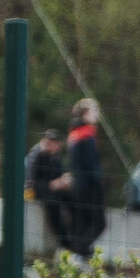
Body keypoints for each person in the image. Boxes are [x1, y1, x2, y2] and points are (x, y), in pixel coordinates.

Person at [54, 98, 107, 258]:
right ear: (86, 113)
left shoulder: (74, 134)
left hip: (79, 185)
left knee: (82, 223)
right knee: (98, 223)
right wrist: (98, 184)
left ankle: (78, 252)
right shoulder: (86, 135)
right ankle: (77, 253)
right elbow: (91, 165)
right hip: (89, 187)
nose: (97, 115)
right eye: (94, 111)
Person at [24, 129, 69, 249]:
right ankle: (65, 244)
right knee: (53, 205)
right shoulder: (35, 156)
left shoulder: (55, 157)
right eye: (49, 141)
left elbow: (59, 174)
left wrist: (64, 181)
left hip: (53, 192)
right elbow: (30, 183)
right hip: (35, 194)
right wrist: (51, 185)